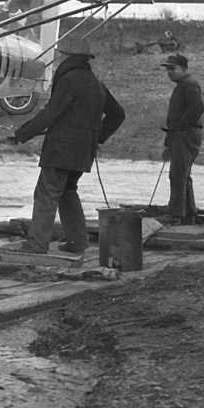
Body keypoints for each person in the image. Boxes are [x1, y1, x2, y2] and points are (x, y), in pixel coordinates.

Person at [10, 33, 126, 254]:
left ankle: (37, 245)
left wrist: (21, 134)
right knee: (68, 191)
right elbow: (118, 114)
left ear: (68, 57)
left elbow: (51, 113)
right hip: (83, 152)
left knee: (46, 193)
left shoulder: (70, 79)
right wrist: (97, 136)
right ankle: (78, 242)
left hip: (61, 149)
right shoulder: (96, 83)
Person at [160, 53, 203, 225]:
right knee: (183, 174)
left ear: (184, 69)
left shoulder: (189, 85)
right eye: (167, 69)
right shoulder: (183, 85)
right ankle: (188, 214)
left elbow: (197, 108)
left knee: (178, 173)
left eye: (173, 68)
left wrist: (180, 128)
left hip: (185, 135)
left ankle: (176, 215)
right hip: (180, 134)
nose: (169, 72)